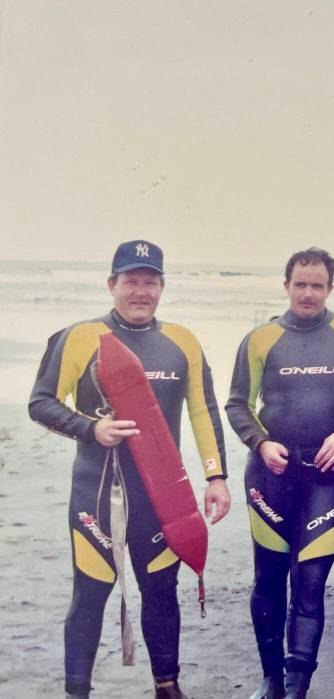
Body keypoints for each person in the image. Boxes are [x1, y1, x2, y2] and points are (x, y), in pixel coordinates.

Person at [29, 240, 230, 699]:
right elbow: (40, 403)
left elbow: (202, 411)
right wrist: (90, 428)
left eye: (150, 282)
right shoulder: (81, 337)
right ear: (112, 285)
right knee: (91, 593)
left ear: (162, 287)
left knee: (161, 591)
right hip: (96, 493)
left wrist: (216, 477)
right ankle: (77, 692)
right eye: (131, 281)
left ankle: (167, 687)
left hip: (161, 498)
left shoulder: (182, 341)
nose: (141, 291)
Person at [226, 247, 334, 699]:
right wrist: (261, 442)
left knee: (310, 584)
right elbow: (237, 404)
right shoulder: (260, 339)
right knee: (269, 579)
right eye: (301, 284)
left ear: (330, 288)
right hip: (270, 475)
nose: (308, 293)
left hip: (324, 476)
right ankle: (271, 680)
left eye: (317, 285)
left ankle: (298, 688)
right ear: (286, 285)